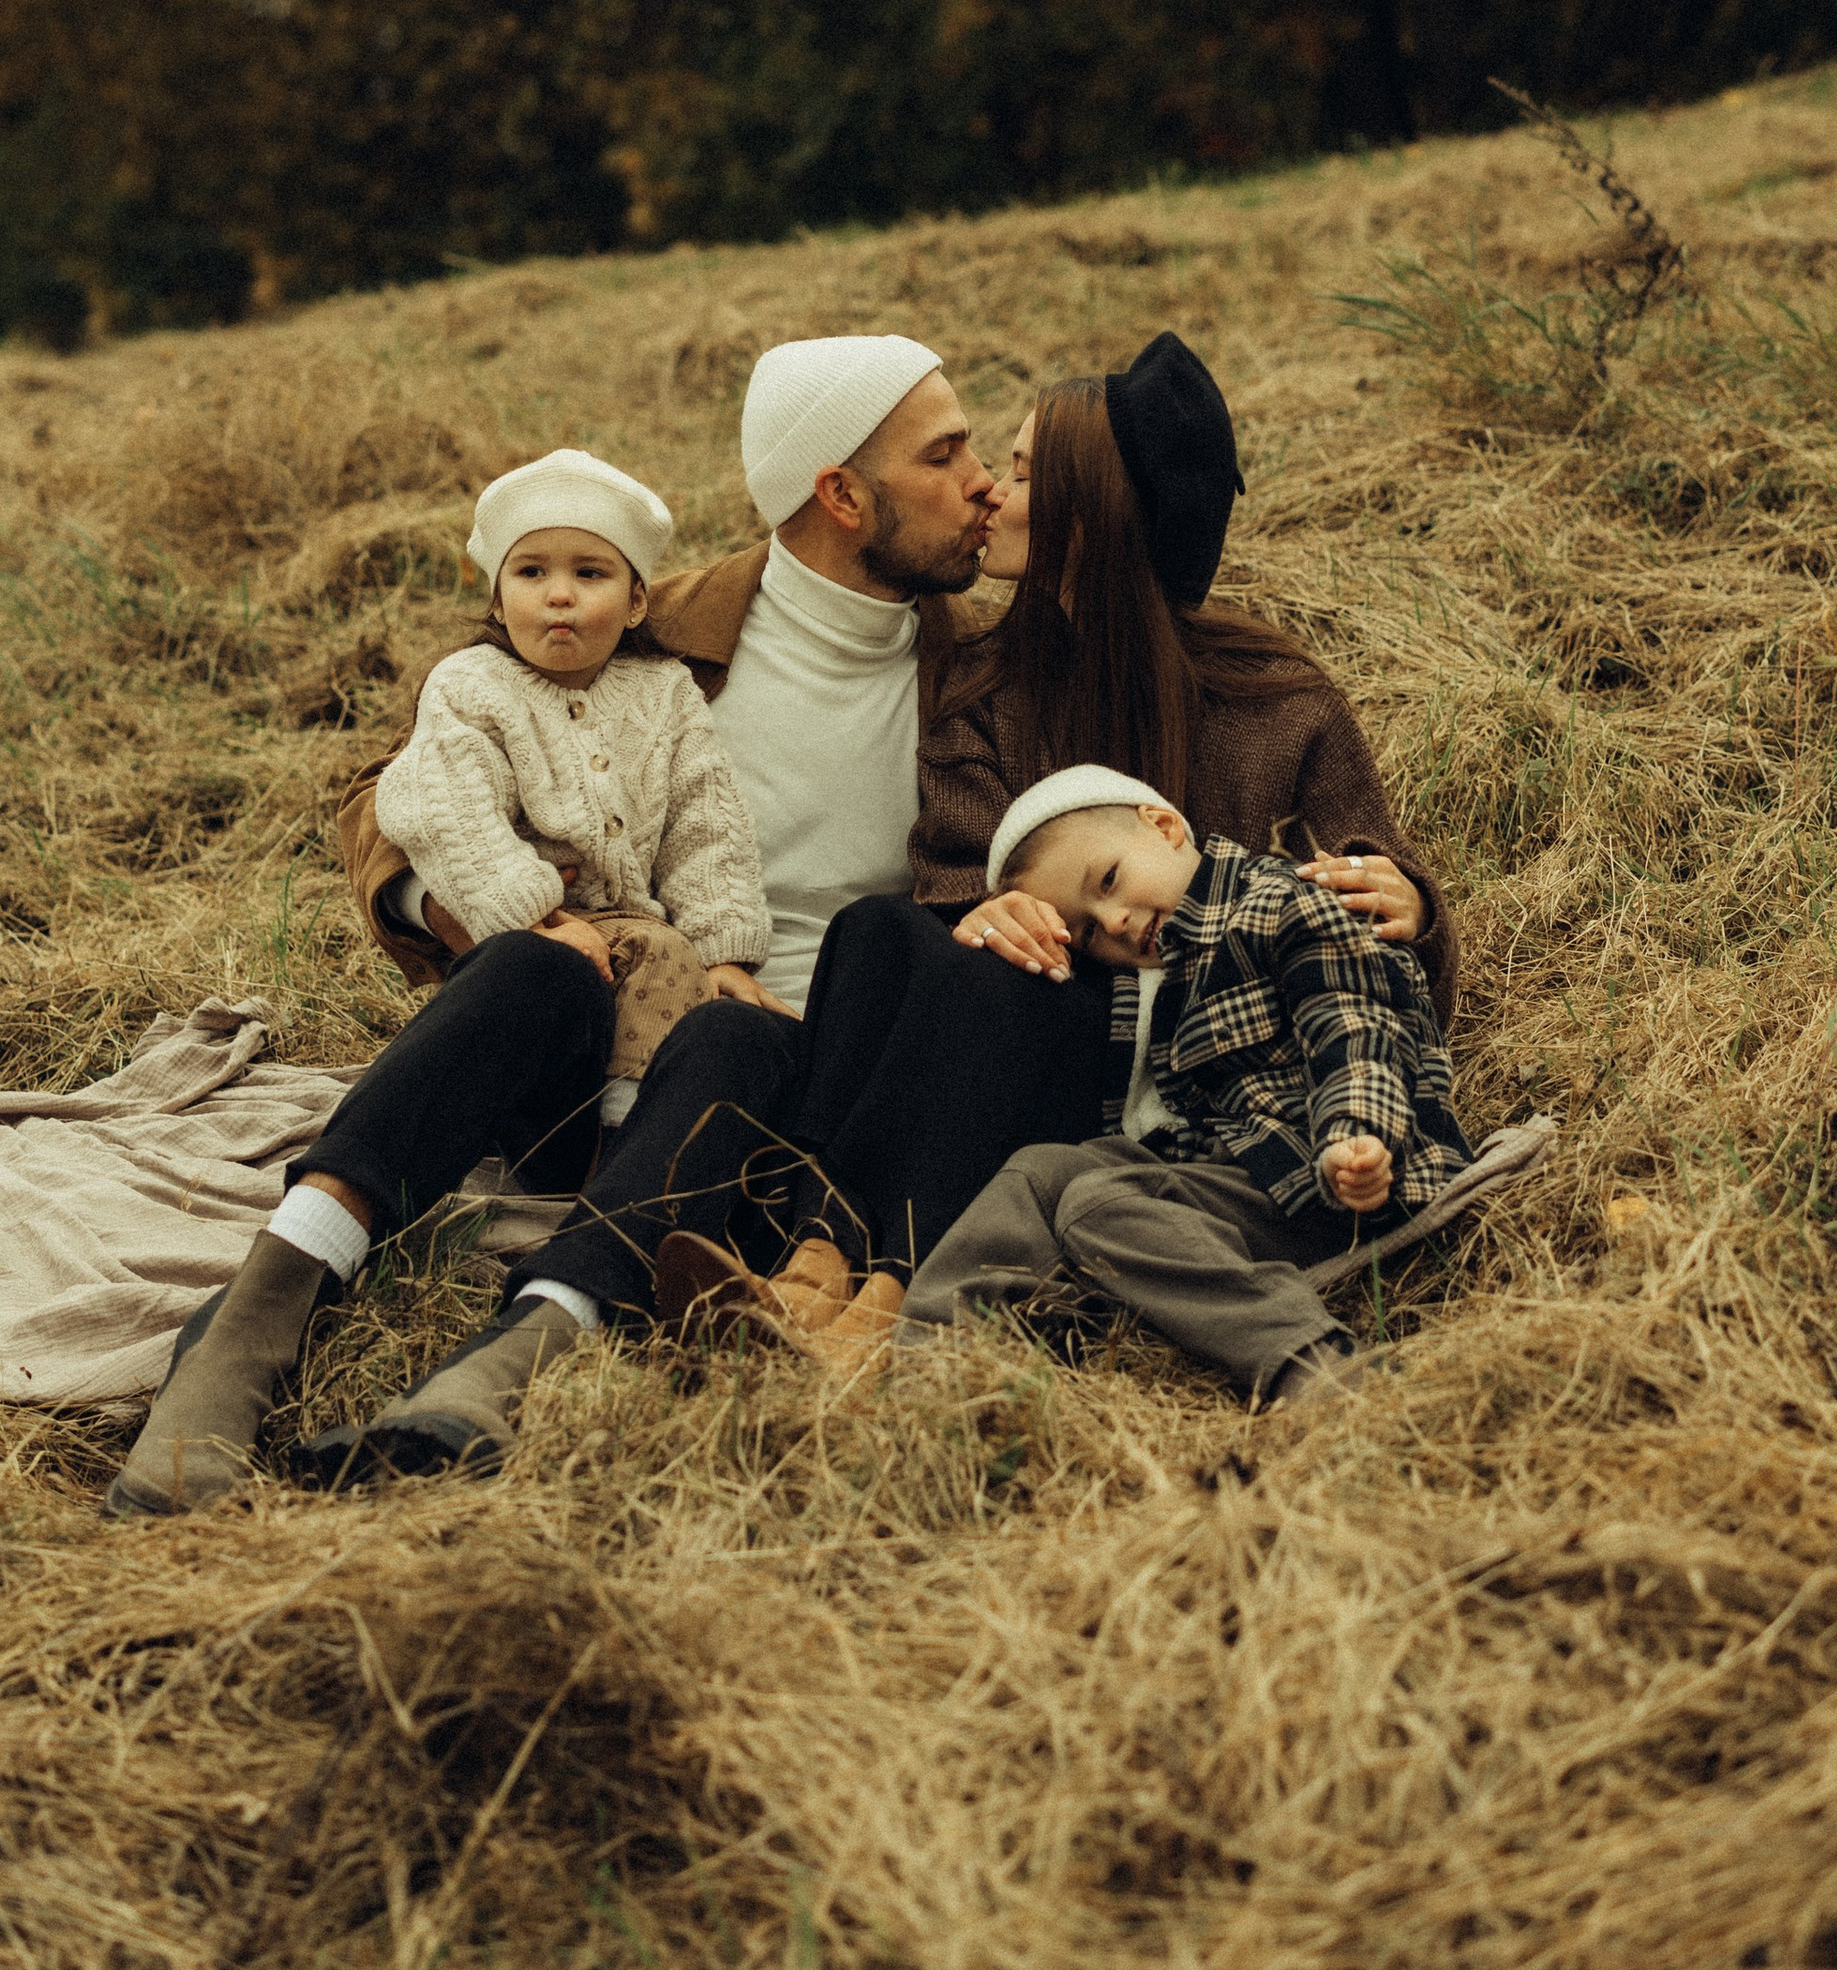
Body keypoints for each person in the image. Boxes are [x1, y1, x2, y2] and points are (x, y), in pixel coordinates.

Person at [274, 332, 1000, 1486]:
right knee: (580, 993)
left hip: (822, 1085)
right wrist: (476, 910)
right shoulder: (658, 626)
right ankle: (284, 1303)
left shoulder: (985, 673)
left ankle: (519, 1353)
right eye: (950, 452)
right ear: (842, 495)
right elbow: (393, 788)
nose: (987, 480)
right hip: (625, 1033)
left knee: (733, 1031)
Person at [658, 333, 1455, 1357]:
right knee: (885, 930)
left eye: (1026, 471)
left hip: (1183, 1068)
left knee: (995, 988)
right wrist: (982, 907)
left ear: (1095, 508)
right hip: (1006, 1030)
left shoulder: (1275, 702)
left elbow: (1377, 954)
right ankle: (813, 1260)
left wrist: (1416, 907)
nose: (989, 488)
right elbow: (947, 870)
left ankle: (875, 1292)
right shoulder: (986, 688)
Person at [107, 447, 767, 1515]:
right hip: (550, 977)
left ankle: (555, 1290)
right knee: (530, 969)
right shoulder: (471, 685)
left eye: (592, 576)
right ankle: (255, 1316)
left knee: (705, 1004)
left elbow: (707, 828)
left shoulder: (668, 696)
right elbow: (439, 805)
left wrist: (731, 949)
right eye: (534, 573)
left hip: (699, 1011)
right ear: (494, 590)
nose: (561, 596)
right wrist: (531, 911)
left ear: (637, 595)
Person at [897, 764, 1474, 1407]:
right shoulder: (1172, 969)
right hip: (1257, 1181)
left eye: (1108, 881)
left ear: (1165, 826)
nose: (1112, 921)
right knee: (1043, 1171)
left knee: (1098, 1203)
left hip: (1346, 1179)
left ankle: (1315, 1364)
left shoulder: (1286, 902)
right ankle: (929, 1361)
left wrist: (1355, 1136)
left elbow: (1357, 1026)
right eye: (1086, 930)